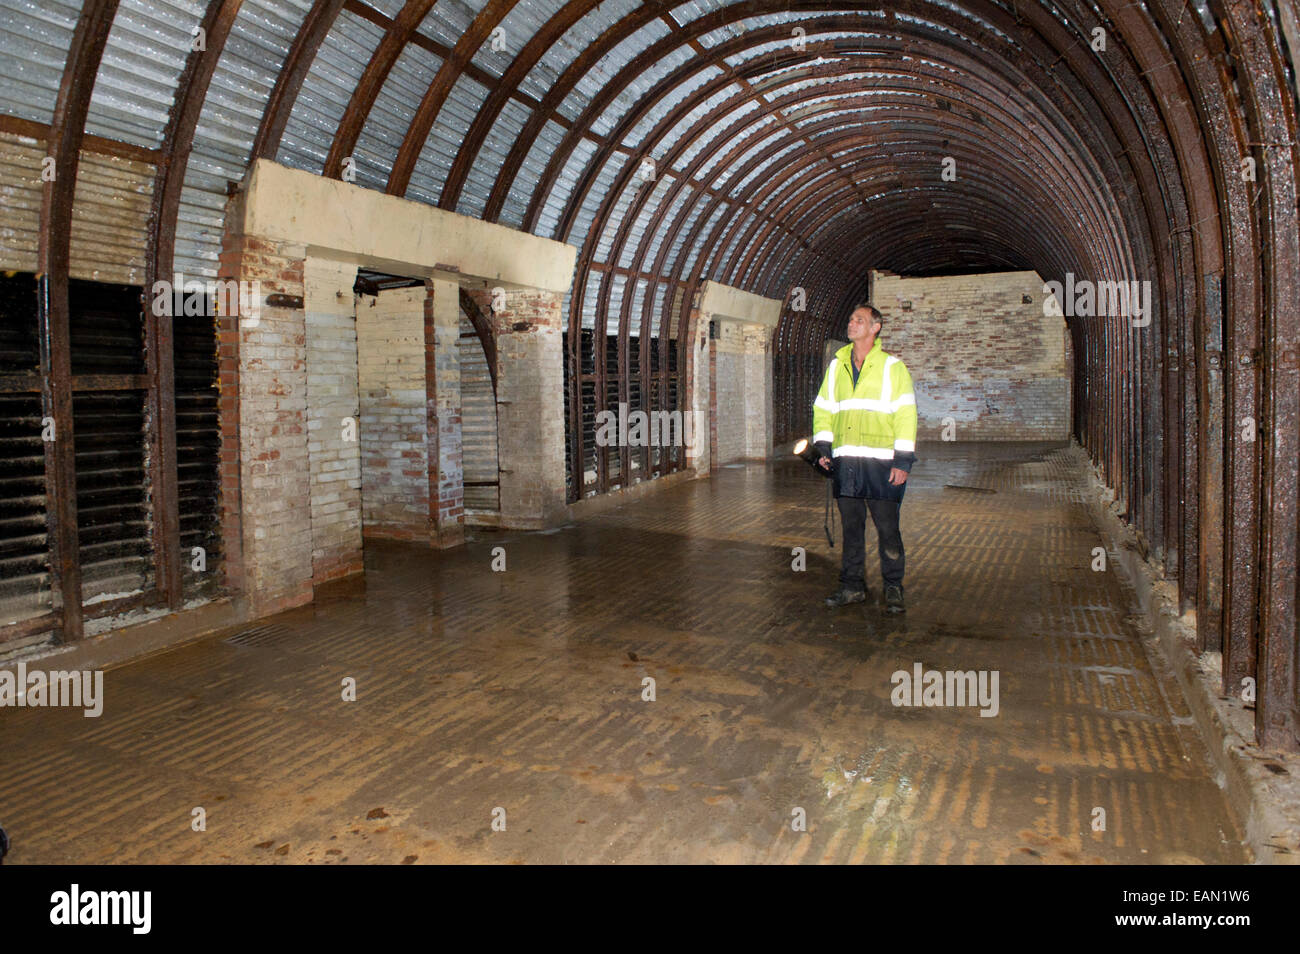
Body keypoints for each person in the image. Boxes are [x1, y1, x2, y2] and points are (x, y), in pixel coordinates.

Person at [812, 303, 917, 613]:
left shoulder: (892, 368)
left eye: (860, 320)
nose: (852, 323)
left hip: (883, 466)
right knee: (851, 530)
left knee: (888, 529)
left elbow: (906, 415)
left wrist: (903, 461)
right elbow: (824, 408)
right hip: (847, 465)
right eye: (850, 318)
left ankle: (894, 586)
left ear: (876, 328)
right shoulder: (836, 366)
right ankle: (852, 586)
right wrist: (824, 448)